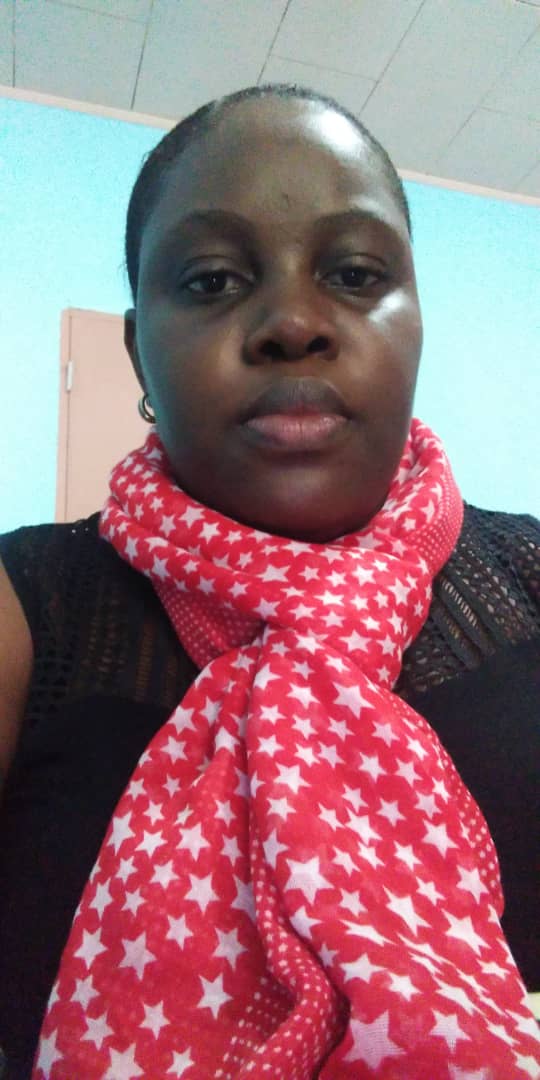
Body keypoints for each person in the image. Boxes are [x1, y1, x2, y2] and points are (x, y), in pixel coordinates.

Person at [0, 84, 538, 1080]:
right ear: (138, 357)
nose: (292, 323)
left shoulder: (532, 580)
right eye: (212, 280)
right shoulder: (23, 608)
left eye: (356, 273)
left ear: (417, 321)